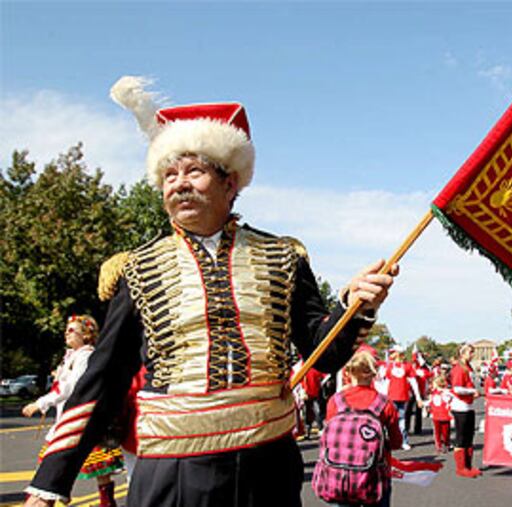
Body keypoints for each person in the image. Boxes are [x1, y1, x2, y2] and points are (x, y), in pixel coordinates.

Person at [24, 77, 398, 507]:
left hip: (267, 466)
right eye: (169, 175)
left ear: (230, 182)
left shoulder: (284, 257)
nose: (178, 184)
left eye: (194, 171)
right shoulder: (138, 269)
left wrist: (354, 307)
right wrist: (50, 481)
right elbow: (105, 375)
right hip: (173, 469)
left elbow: (324, 353)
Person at [22, 315, 124, 507]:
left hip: (77, 420)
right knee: (51, 470)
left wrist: (41, 403)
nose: (66, 334)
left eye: (71, 330)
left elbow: (69, 387)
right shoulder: (72, 356)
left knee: (96, 469)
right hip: (68, 421)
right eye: (66, 330)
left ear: (85, 335)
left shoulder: (86, 356)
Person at [314, 351, 401, 507]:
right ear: (373, 373)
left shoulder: (336, 401)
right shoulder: (384, 403)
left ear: (347, 372)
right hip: (373, 475)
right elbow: (396, 442)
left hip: (339, 474)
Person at [450, 344, 481, 478]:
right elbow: (457, 388)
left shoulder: (469, 367)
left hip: (469, 406)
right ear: (462, 354)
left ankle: (468, 465)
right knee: (461, 438)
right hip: (460, 406)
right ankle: (461, 468)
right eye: (470, 352)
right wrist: (472, 391)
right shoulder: (458, 369)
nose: (472, 355)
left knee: (469, 437)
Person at [385, 345, 421, 450]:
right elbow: (386, 383)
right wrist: (384, 397)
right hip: (391, 398)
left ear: (398, 353)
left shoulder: (407, 366)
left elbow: (414, 382)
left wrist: (418, 397)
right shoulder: (390, 367)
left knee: (402, 421)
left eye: (393, 352)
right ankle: (391, 441)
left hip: (403, 397)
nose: (391, 354)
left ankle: (403, 441)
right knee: (391, 421)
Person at [427, 375, 454, 454]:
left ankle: (446, 443)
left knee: (446, 432)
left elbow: (452, 399)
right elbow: (430, 402)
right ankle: (439, 445)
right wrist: (424, 404)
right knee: (437, 432)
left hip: (445, 415)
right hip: (435, 415)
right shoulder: (433, 393)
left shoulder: (447, 392)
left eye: (434, 383)